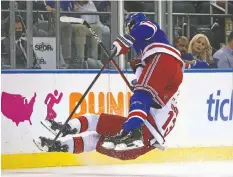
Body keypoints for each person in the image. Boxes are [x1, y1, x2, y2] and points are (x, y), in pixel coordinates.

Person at [34, 13, 183, 160]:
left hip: (142, 134)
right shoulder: (165, 98)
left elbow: (148, 27)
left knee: (138, 96)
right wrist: (138, 77)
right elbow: (145, 80)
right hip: (139, 145)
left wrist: (127, 39)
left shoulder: (148, 29)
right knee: (95, 137)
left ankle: (132, 130)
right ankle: (60, 141)